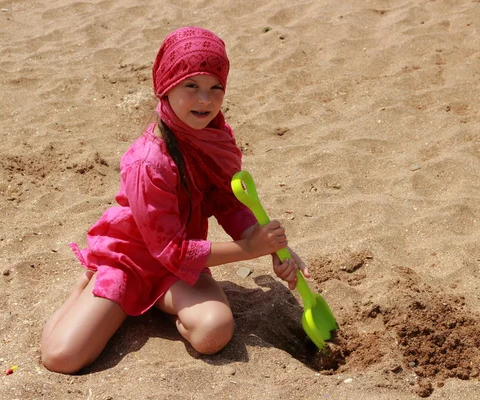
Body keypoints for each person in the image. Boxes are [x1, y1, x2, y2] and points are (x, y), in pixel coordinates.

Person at [40, 26, 310, 374]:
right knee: (62, 358)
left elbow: (227, 201)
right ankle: (89, 284)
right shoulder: (148, 162)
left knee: (213, 332)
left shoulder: (214, 136)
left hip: (176, 271)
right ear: (166, 86)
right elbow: (172, 250)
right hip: (132, 260)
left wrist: (271, 245)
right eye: (191, 86)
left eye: (216, 88)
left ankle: (158, 305)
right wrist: (251, 249)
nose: (205, 100)